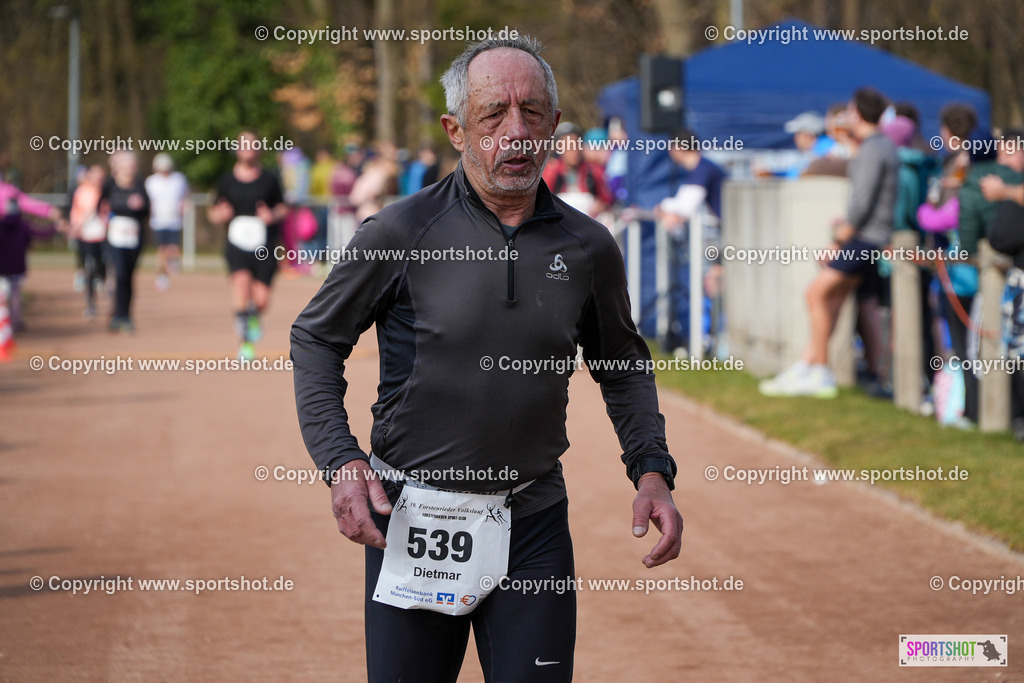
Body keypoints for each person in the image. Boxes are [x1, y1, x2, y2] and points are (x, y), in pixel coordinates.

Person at [291, 35, 682, 683]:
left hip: (533, 520)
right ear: (456, 130)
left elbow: (622, 364)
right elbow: (316, 338)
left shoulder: (588, 246)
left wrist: (652, 469)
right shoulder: (399, 232)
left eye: (533, 112)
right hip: (412, 519)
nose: (516, 131)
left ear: (555, 125)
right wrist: (340, 460)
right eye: (493, 114)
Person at [760, 88, 899, 397]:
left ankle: (820, 371)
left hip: (866, 240)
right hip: (869, 237)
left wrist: (838, 239)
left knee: (815, 294)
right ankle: (806, 365)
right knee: (831, 301)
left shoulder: (873, 149)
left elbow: (862, 204)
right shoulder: (878, 146)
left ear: (857, 114)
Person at [208, 130, 289, 360]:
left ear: (259, 149)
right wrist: (220, 214)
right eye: (243, 144)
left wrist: (272, 215)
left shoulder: (270, 178)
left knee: (261, 300)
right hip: (236, 244)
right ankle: (245, 344)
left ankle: (253, 316)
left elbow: (283, 208)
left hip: (264, 245)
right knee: (241, 287)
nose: (248, 149)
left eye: (252, 144)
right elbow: (213, 211)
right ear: (237, 149)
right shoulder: (227, 180)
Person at [654, 127, 727, 353]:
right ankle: (711, 342)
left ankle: (714, 343)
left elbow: (684, 207)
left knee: (713, 287)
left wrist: (665, 210)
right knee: (711, 287)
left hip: (724, 238)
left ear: (679, 148)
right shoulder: (702, 169)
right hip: (720, 237)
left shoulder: (703, 168)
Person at [100, 151, 150, 333]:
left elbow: (147, 210)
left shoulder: (140, 184)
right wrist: (106, 217)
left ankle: (126, 315)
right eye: (126, 165)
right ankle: (117, 313)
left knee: (128, 277)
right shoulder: (110, 184)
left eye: (132, 165)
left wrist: (141, 206)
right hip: (115, 237)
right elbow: (101, 206)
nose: (129, 169)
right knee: (119, 274)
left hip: (134, 237)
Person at [542, 122, 613, 217]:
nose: (573, 151)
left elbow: (607, 201)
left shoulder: (593, 170)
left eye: (576, 145)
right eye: (567, 146)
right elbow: (543, 202)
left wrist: (600, 206)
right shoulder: (552, 170)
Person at [145, 153, 189, 291]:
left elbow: (185, 195)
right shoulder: (151, 182)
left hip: (174, 220)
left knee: (173, 247)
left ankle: (172, 262)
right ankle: (162, 275)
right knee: (162, 249)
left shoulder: (178, 179)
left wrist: (184, 205)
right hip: (158, 220)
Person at [70, 165, 108, 318]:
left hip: (104, 235)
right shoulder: (82, 192)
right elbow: (77, 211)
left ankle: (103, 279)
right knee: (90, 267)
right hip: (87, 235)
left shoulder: (106, 191)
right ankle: (91, 305)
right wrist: (76, 226)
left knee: (104, 264)